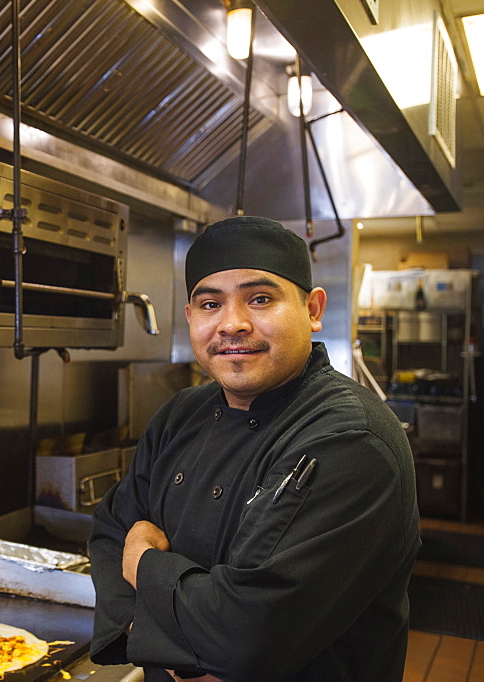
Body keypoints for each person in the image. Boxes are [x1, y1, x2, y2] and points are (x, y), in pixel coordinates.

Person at [89, 216, 420, 681]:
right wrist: (147, 636)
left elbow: (248, 634)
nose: (233, 324)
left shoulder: (350, 440)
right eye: (210, 304)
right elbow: (109, 532)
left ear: (312, 309)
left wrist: (142, 562)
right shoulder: (180, 414)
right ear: (190, 318)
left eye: (260, 299)